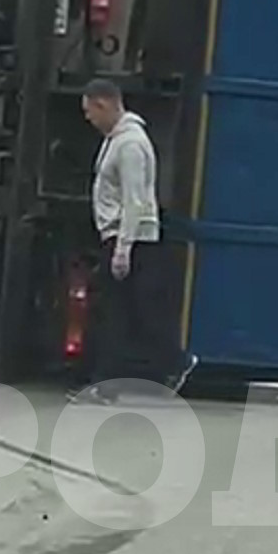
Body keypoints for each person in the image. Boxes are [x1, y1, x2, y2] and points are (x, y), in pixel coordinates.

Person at [71, 78, 197, 403]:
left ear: (105, 104)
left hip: (131, 241)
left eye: (90, 111)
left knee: (125, 313)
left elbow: (135, 200)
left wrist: (123, 248)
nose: (88, 119)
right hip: (120, 238)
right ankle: (120, 378)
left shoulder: (130, 145)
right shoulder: (116, 140)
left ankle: (170, 362)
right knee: (125, 314)